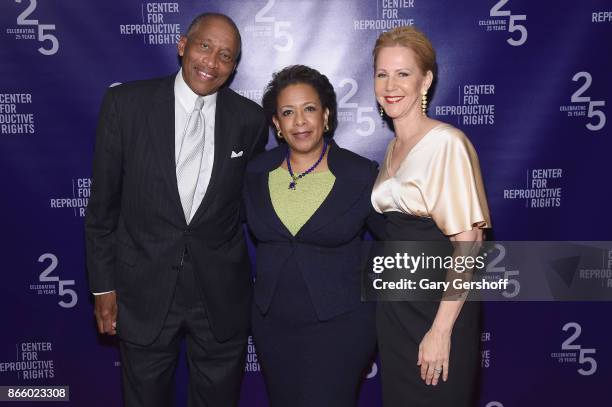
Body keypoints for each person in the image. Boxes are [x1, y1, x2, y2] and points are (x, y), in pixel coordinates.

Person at [85, 12, 268, 407]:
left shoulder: (250, 121)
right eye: (204, 47)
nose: (212, 62)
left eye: (225, 56)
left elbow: (240, 204)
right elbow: (102, 210)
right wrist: (103, 287)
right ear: (182, 45)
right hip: (143, 290)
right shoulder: (125, 104)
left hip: (220, 296)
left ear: (234, 67)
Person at [370, 26, 492, 407]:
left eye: (403, 73)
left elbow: (470, 244)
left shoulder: (446, 144)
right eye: (381, 73)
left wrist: (440, 331)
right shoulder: (393, 147)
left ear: (426, 80)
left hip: (437, 311)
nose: (390, 84)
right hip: (396, 315)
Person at [243, 65, 378, 406]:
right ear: (276, 124)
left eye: (309, 109)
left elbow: (394, 241)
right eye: (288, 112)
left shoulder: (360, 173)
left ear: (327, 115)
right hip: (272, 325)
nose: (299, 121)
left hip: (339, 327)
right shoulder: (257, 171)